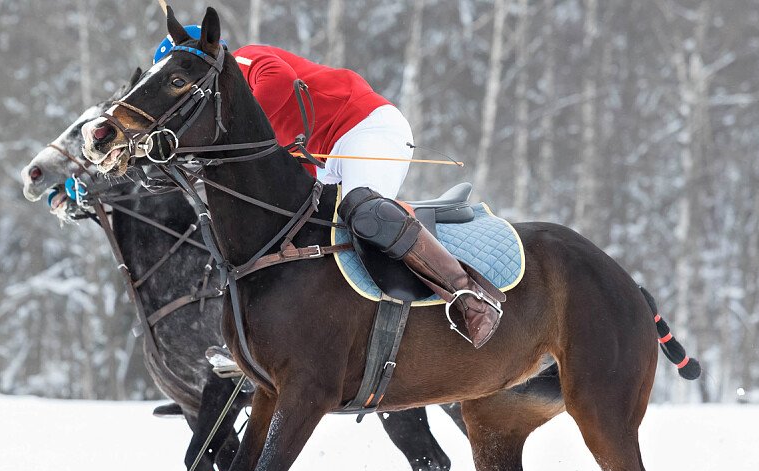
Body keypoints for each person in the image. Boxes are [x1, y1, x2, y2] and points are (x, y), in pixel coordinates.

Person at [152, 30, 503, 347]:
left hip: (365, 125)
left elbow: (279, 78)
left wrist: (246, 137)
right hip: (323, 160)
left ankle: (470, 297)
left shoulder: (244, 61)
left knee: (364, 209)